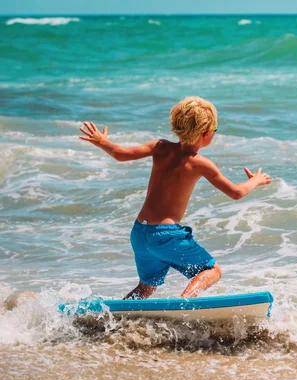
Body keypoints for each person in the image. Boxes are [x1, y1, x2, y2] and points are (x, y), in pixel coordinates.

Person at [78, 96, 271, 299]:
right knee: (212, 271)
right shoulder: (200, 163)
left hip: (140, 233)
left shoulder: (159, 147)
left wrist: (102, 142)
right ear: (206, 133)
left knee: (146, 287)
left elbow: (121, 154)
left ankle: (117, 316)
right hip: (165, 235)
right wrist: (256, 180)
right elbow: (236, 192)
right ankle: (184, 306)